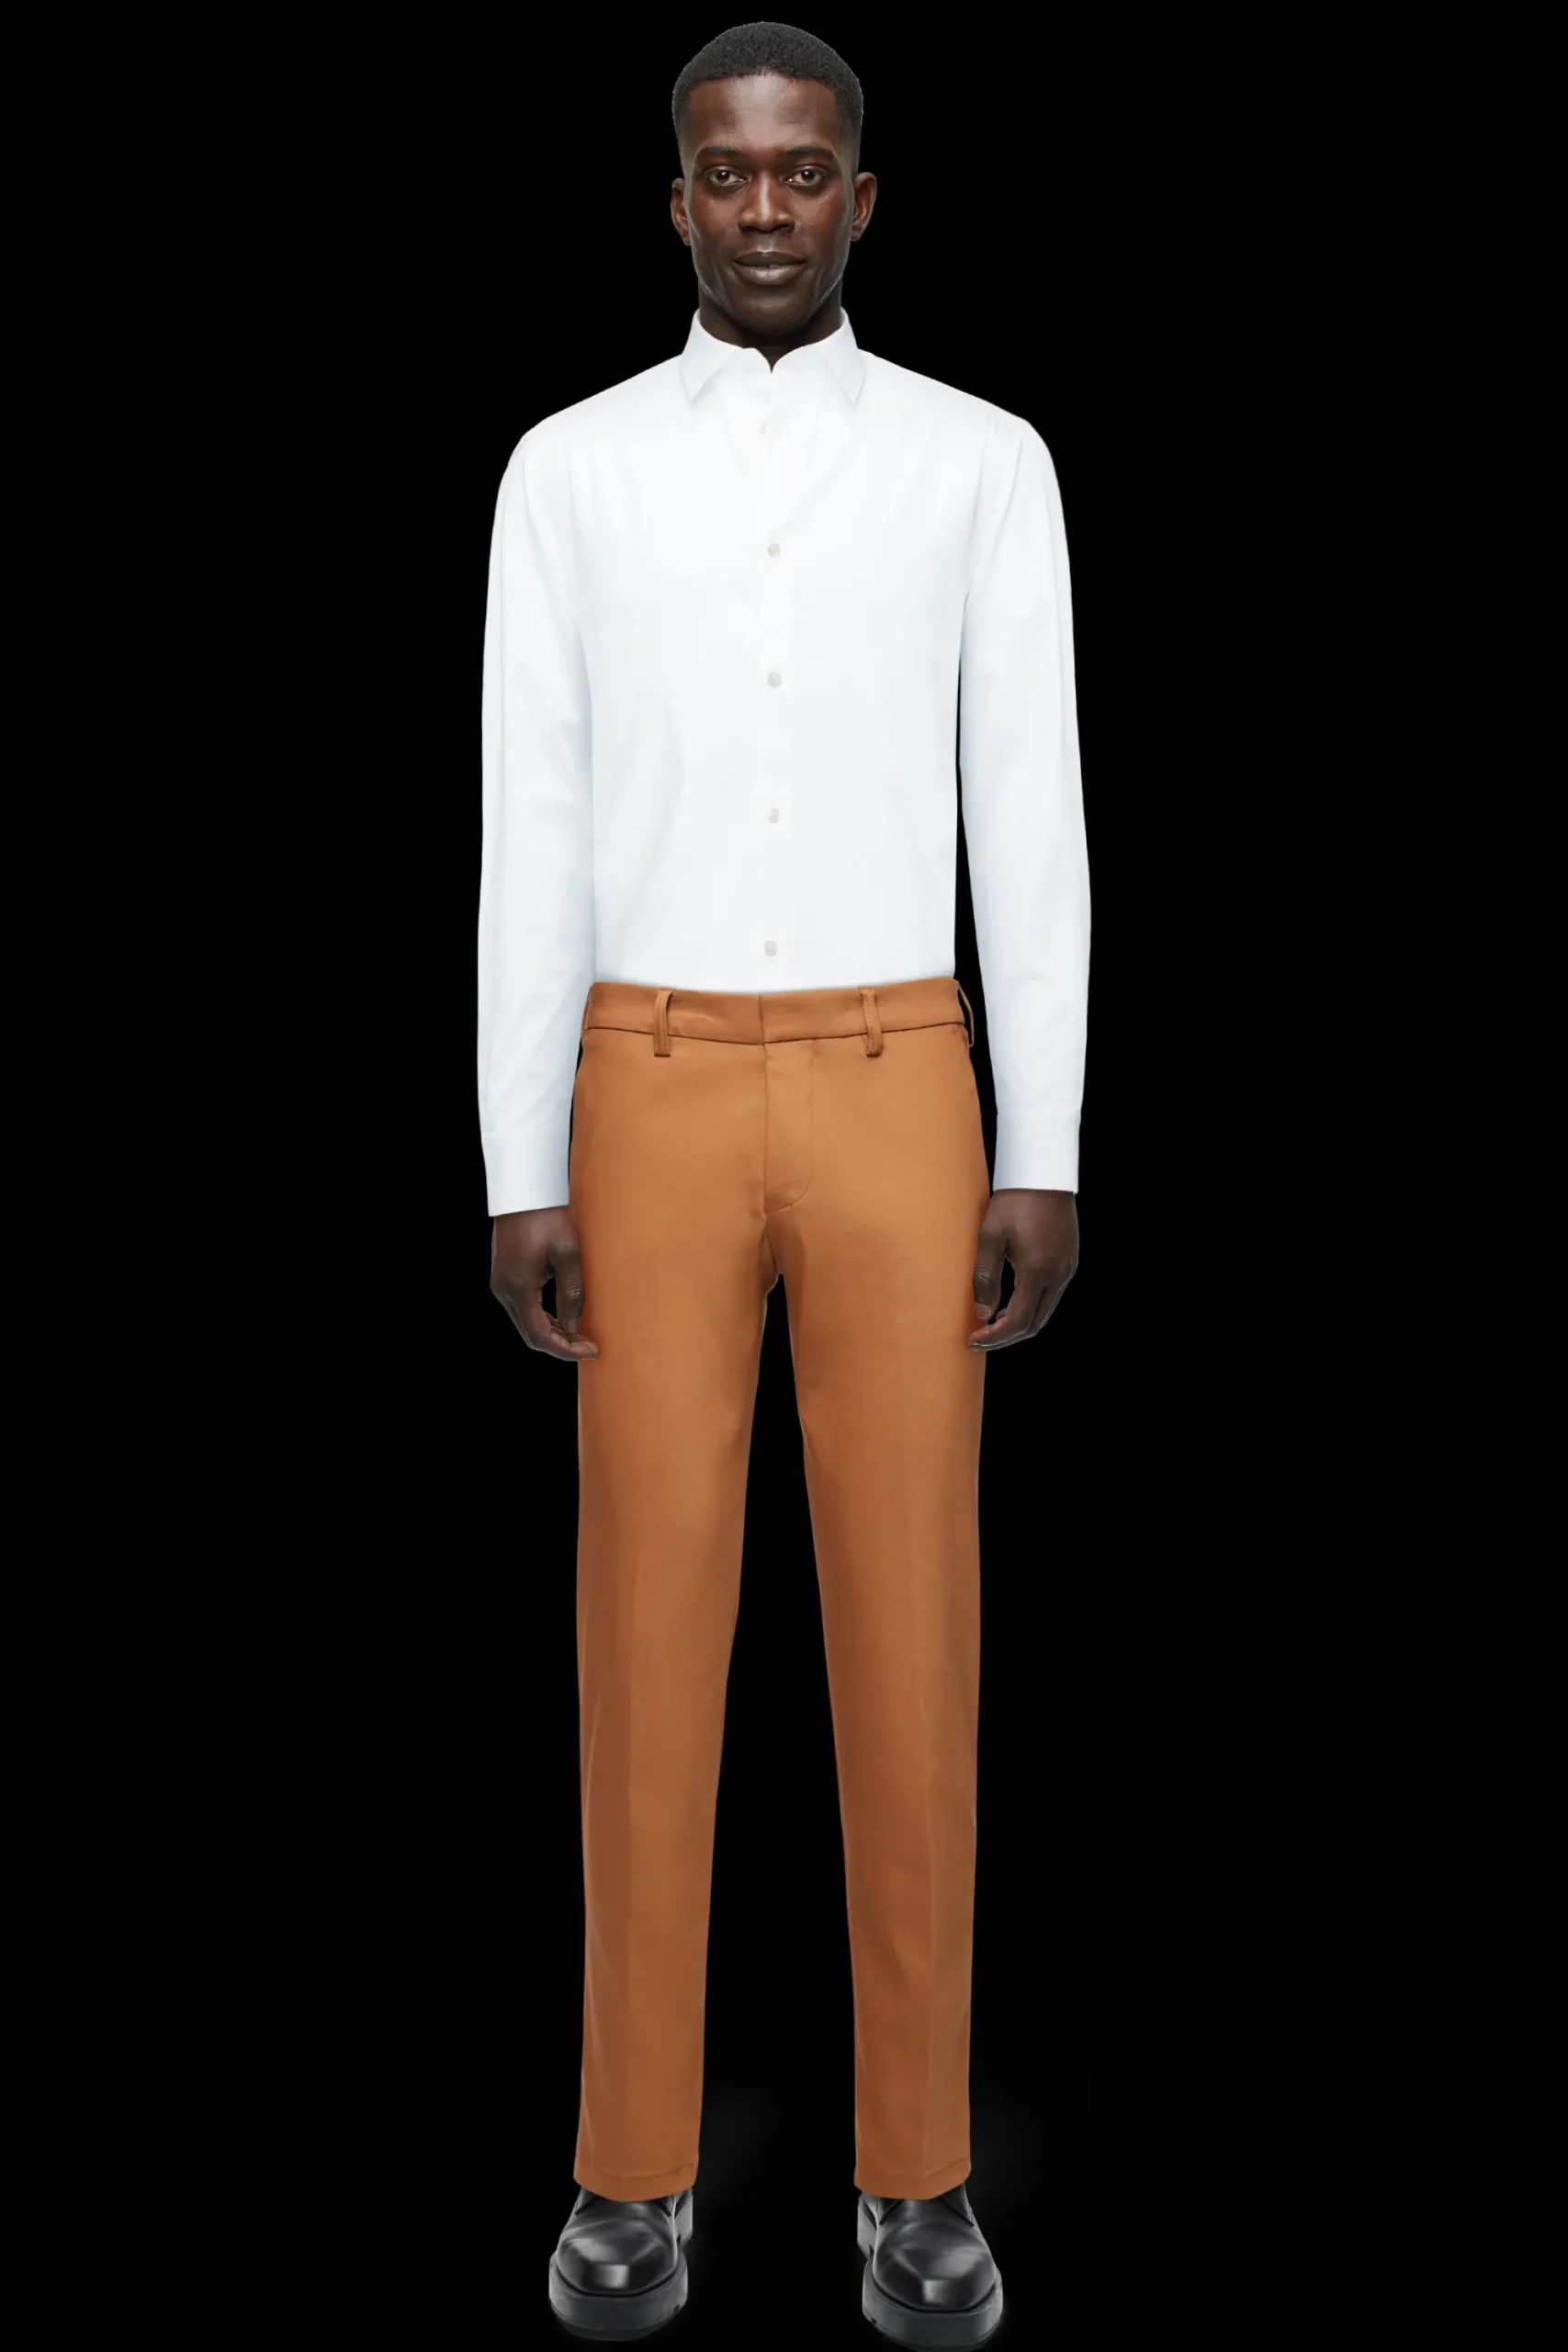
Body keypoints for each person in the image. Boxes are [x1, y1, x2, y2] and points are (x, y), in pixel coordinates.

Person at [479, 21, 1089, 2345]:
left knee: (912, 1635)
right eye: (726, 173)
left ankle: (917, 2173)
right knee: (642, 1638)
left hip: (893, 1072)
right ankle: (628, 2166)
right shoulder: (565, 471)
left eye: (802, 171)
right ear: (674, 200)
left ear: (861, 197)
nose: (763, 208)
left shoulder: (980, 463)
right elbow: (529, 813)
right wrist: (514, 1152)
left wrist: (1043, 1136)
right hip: (638, 1078)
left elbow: (1028, 803)